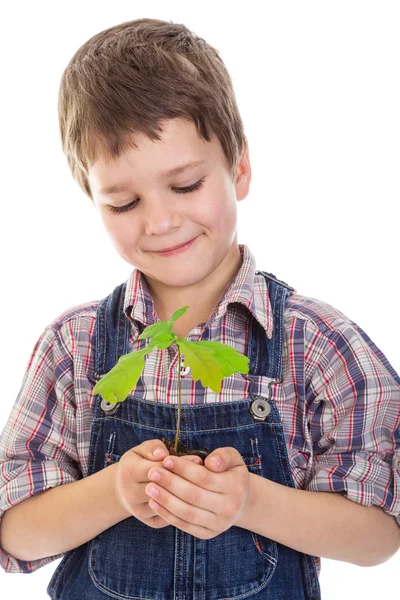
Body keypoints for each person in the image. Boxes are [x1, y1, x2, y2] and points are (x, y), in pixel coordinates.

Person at [0, 17, 399, 599]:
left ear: (238, 167)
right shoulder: (74, 346)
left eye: (185, 185)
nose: (160, 221)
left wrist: (251, 501)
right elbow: (17, 532)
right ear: (92, 199)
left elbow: (378, 535)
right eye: (124, 201)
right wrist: (114, 492)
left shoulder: (318, 343)